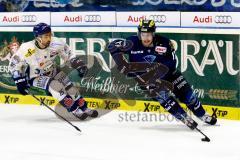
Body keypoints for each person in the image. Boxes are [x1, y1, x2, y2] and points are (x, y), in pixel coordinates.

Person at [108, 20, 217, 130]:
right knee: (165, 100)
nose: (146, 38)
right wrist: (121, 63)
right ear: (139, 34)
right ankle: (184, 118)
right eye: (143, 34)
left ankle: (202, 115)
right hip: (147, 81)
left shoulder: (164, 42)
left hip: (170, 74)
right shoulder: (131, 42)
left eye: (149, 35)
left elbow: (172, 63)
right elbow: (112, 46)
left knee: (188, 97)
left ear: (153, 34)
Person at [9, 22, 98, 120]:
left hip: (52, 70)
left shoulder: (57, 43)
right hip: (35, 76)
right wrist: (19, 81)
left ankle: (84, 107)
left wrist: (79, 65)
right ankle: (74, 109)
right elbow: (13, 65)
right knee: (55, 86)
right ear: (38, 37)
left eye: (50, 35)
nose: (49, 38)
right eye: (46, 36)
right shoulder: (26, 48)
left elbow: (69, 55)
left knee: (69, 86)